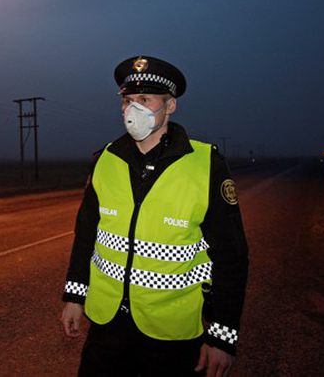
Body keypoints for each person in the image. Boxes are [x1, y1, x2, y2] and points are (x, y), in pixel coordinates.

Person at [60, 55, 248, 376]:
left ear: (169, 106)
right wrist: (74, 296)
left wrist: (222, 337)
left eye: (145, 99)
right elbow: (86, 234)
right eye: (128, 101)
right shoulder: (105, 159)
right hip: (107, 326)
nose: (133, 109)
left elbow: (231, 256)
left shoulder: (205, 164)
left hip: (171, 335)